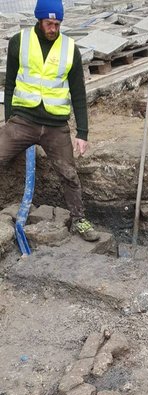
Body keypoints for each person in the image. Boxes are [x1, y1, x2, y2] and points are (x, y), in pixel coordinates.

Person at [1, 0, 99, 242]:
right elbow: (10, 83)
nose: (54, 29)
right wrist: (9, 120)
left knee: (69, 173)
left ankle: (79, 219)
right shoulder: (19, 41)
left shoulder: (69, 48)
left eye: (57, 24)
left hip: (56, 126)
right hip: (23, 120)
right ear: (39, 20)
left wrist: (82, 133)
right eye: (49, 23)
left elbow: (78, 91)